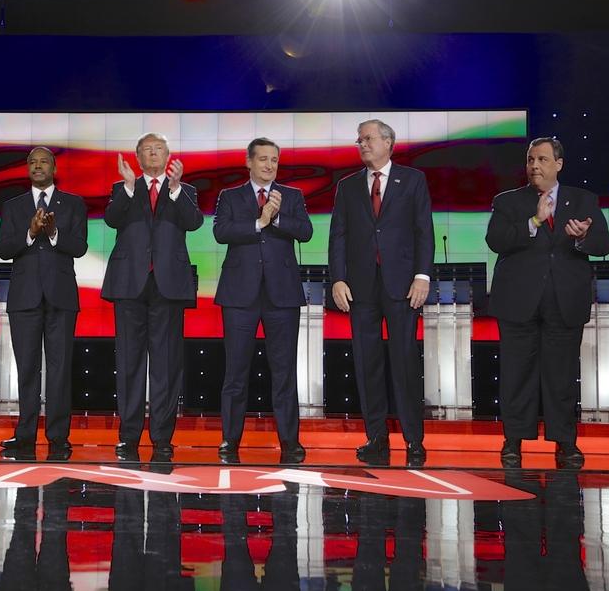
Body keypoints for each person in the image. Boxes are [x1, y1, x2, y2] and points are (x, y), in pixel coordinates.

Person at [487, 137, 609, 469]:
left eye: (542, 159)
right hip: (518, 302)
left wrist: (584, 235)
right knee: (516, 374)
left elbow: (605, 243)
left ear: (559, 164)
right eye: (530, 160)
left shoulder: (583, 200)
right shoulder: (508, 202)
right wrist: (535, 221)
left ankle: (565, 442)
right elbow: (495, 241)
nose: (534, 166)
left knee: (561, 375)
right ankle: (513, 440)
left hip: (564, 300)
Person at [329, 119, 434, 467]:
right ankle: (376, 437)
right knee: (366, 362)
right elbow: (338, 236)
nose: (362, 144)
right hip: (360, 287)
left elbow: (423, 231)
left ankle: (413, 440)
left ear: (389, 142)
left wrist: (422, 276)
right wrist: (338, 279)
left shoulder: (413, 180)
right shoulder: (347, 186)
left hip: (403, 284)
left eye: (368, 138)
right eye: (359, 140)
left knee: (403, 361)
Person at [101, 132, 204, 460]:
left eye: (159, 149)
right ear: (138, 156)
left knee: (166, 364)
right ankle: (128, 436)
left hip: (168, 286)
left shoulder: (183, 190)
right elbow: (111, 219)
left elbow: (195, 222)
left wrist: (174, 189)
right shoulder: (123, 188)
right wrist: (129, 186)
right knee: (129, 362)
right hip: (130, 283)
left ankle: (162, 437)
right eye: (147, 150)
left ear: (169, 155)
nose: (153, 154)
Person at [213, 138, 313, 463]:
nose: (269, 165)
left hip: (281, 295)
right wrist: (259, 222)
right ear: (249, 162)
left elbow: (306, 231)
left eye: (274, 160)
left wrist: (278, 217)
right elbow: (221, 232)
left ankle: (290, 442)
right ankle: (230, 441)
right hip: (239, 294)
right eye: (264, 159)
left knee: (284, 372)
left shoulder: (292, 196)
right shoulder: (230, 196)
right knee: (235, 372)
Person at [0, 147, 88, 460]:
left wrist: (52, 233)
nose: (38, 166)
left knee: (60, 370)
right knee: (27, 370)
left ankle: (58, 437)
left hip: (61, 298)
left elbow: (79, 247)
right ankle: (25, 435)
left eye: (43, 161)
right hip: (24, 298)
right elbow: (5, 248)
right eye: (33, 162)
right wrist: (30, 233)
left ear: (53, 166)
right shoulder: (13, 206)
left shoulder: (73, 203)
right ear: (27, 168)